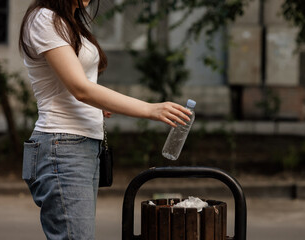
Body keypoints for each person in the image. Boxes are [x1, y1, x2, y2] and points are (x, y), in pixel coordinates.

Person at [19, 0, 191, 239]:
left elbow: (76, 87)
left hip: (81, 145)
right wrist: (150, 109)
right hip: (62, 145)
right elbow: (80, 88)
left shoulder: (70, 21)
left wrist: (97, 108)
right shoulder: (44, 19)